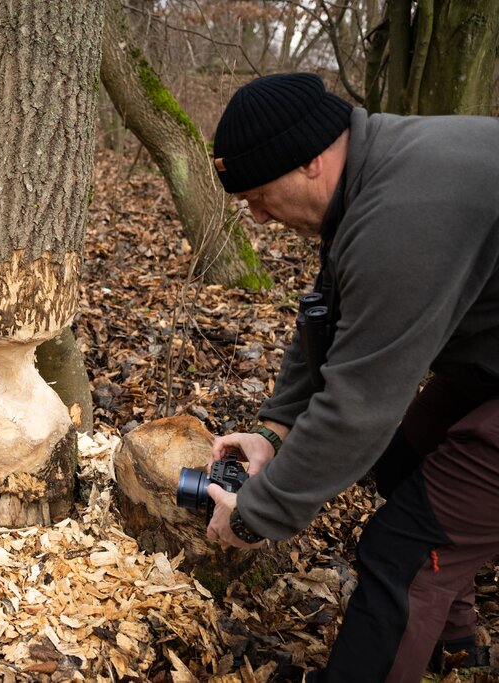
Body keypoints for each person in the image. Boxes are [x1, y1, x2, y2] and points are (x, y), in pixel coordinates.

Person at [201, 72, 499, 682]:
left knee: (403, 552)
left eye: (259, 194)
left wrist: (258, 513)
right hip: (486, 357)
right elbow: (327, 314)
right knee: (402, 463)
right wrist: (276, 429)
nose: (256, 217)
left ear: (310, 161)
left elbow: (359, 406)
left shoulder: (405, 214)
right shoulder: (375, 167)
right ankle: (456, 636)